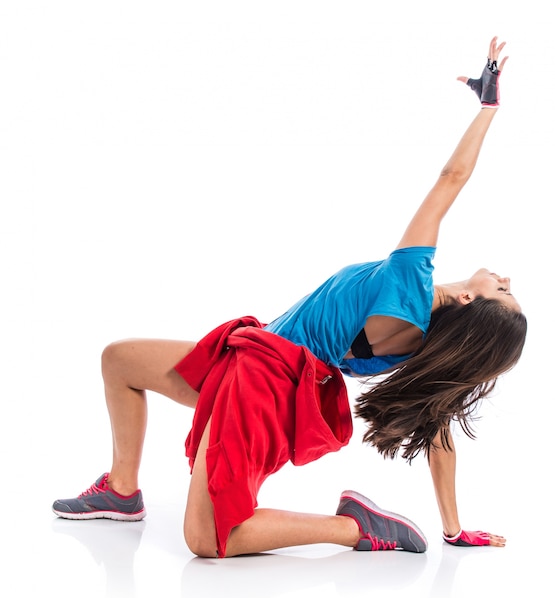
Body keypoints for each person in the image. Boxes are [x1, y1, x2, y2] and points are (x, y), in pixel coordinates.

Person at [53, 37, 527, 558]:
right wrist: (454, 530)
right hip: (248, 354)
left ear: (467, 303)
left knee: (210, 539)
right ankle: (122, 491)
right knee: (120, 360)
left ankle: (354, 527)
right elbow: (438, 431)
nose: (503, 276)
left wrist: (488, 107)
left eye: (502, 290)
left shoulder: (411, 281)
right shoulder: (416, 337)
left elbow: (451, 178)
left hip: (264, 382)